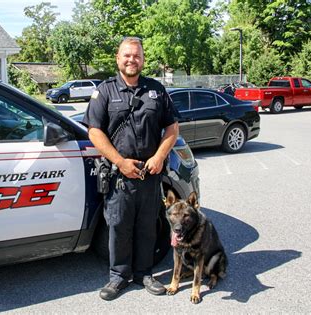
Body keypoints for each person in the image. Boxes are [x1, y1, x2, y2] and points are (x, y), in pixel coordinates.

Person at [83, 37, 179, 301]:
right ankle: (118, 276)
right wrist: (119, 162)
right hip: (119, 176)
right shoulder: (104, 91)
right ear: (118, 58)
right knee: (119, 227)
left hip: (149, 174)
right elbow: (94, 131)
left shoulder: (156, 90)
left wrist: (160, 156)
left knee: (148, 225)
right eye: (127, 55)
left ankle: (144, 273)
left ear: (143, 60)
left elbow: (172, 128)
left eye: (136, 56)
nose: (131, 60)